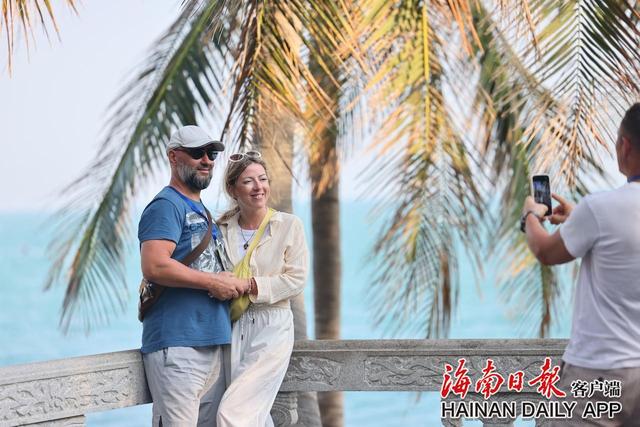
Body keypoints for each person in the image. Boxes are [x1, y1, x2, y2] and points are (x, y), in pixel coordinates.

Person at [521, 103, 640, 425]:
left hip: (599, 373)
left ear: (625, 145)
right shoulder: (598, 214)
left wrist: (530, 216)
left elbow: (545, 252)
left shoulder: (601, 208)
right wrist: (580, 222)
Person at [138, 125, 248, 426]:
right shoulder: (166, 205)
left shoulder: (199, 208)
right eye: (197, 153)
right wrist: (214, 282)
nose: (207, 160)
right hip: (178, 346)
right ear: (174, 157)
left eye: (211, 154)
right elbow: (154, 266)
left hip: (211, 344)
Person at [215, 151, 308, 427]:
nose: (258, 187)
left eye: (263, 179)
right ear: (233, 189)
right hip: (233, 326)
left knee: (232, 413)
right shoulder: (221, 229)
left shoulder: (288, 225)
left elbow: (296, 279)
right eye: (248, 181)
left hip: (273, 326)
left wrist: (250, 284)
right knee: (254, 415)